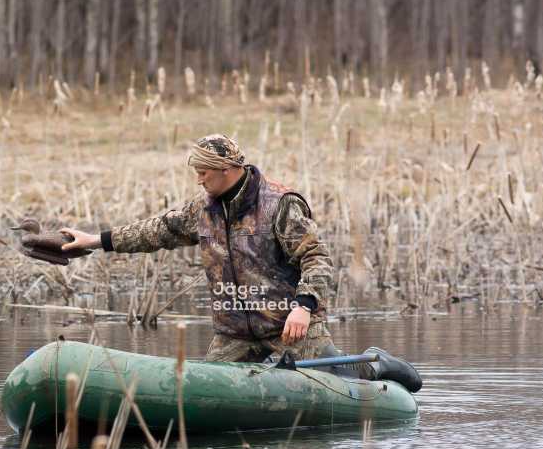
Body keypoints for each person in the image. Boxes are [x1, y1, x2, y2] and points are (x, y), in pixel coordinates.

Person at [60, 134, 421, 391]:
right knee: (202, 393)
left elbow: (317, 258)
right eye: (196, 171)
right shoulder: (201, 210)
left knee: (341, 376)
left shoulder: (279, 205)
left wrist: (304, 307)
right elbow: (157, 231)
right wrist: (96, 241)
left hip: (290, 327)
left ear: (228, 169)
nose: (198, 179)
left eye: (204, 171)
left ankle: (375, 363)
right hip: (234, 334)